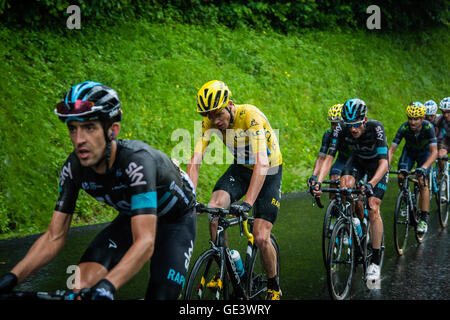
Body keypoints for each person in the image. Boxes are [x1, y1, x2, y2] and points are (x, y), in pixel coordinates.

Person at [0, 81, 197, 300]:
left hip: (175, 222)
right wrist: (11, 278)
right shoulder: (74, 168)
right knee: (82, 285)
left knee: (161, 296)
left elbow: (145, 242)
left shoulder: (137, 163)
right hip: (136, 215)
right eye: (73, 129)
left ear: (112, 130)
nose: (79, 140)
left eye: (89, 128)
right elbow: (54, 237)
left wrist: (107, 286)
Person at [187, 80, 282, 300]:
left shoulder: (250, 117)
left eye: (218, 114)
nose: (215, 121)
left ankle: (273, 285)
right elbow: (195, 160)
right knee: (214, 209)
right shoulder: (210, 122)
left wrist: (247, 202)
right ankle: (227, 265)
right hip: (241, 168)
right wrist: (190, 197)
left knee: (260, 236)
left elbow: (262, 164)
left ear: (230, 104)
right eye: (210, 116)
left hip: (268, 170)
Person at [311, 98, 388, 284]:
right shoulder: (341, 128)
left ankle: (375, 263)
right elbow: (329, 158)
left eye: (356, 125)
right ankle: (352, 223)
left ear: (365, 120)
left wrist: (371, 183)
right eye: (349, 125)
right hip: (356, 162)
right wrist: (318, 182)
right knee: (344, 186)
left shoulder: (376, 128)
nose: (353, 129)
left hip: (376, 166)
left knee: (373, 206)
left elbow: (384, 162)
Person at [388, 102, 438, 234]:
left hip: (425, 154)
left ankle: (423, 218)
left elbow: (434, 152)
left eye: (416, 119)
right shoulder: (404, 128)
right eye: (410, 118)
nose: (412, 122)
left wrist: (424, 167)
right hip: (409, 153)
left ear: (422, 118)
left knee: (422, 181)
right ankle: (406, 197)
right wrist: (385, 165)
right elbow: (392, 149)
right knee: (401, 175)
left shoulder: (429, 127)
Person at [308, 104, 351, 189]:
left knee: (349, 185)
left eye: (336, 124)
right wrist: (314, 176)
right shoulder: (328, 134)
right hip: (342, 159)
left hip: (357, 160)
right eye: (332, 123)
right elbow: (321, 157)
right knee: (334, 178)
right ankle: (334, 201)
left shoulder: (352, 132)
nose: (333, 127)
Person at [435, 97, 450, 180]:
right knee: (440, 155)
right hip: (447, 140)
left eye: (448, 112)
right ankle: (443, 175)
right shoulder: (440, 119)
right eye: (443, 112)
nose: (446, 115)